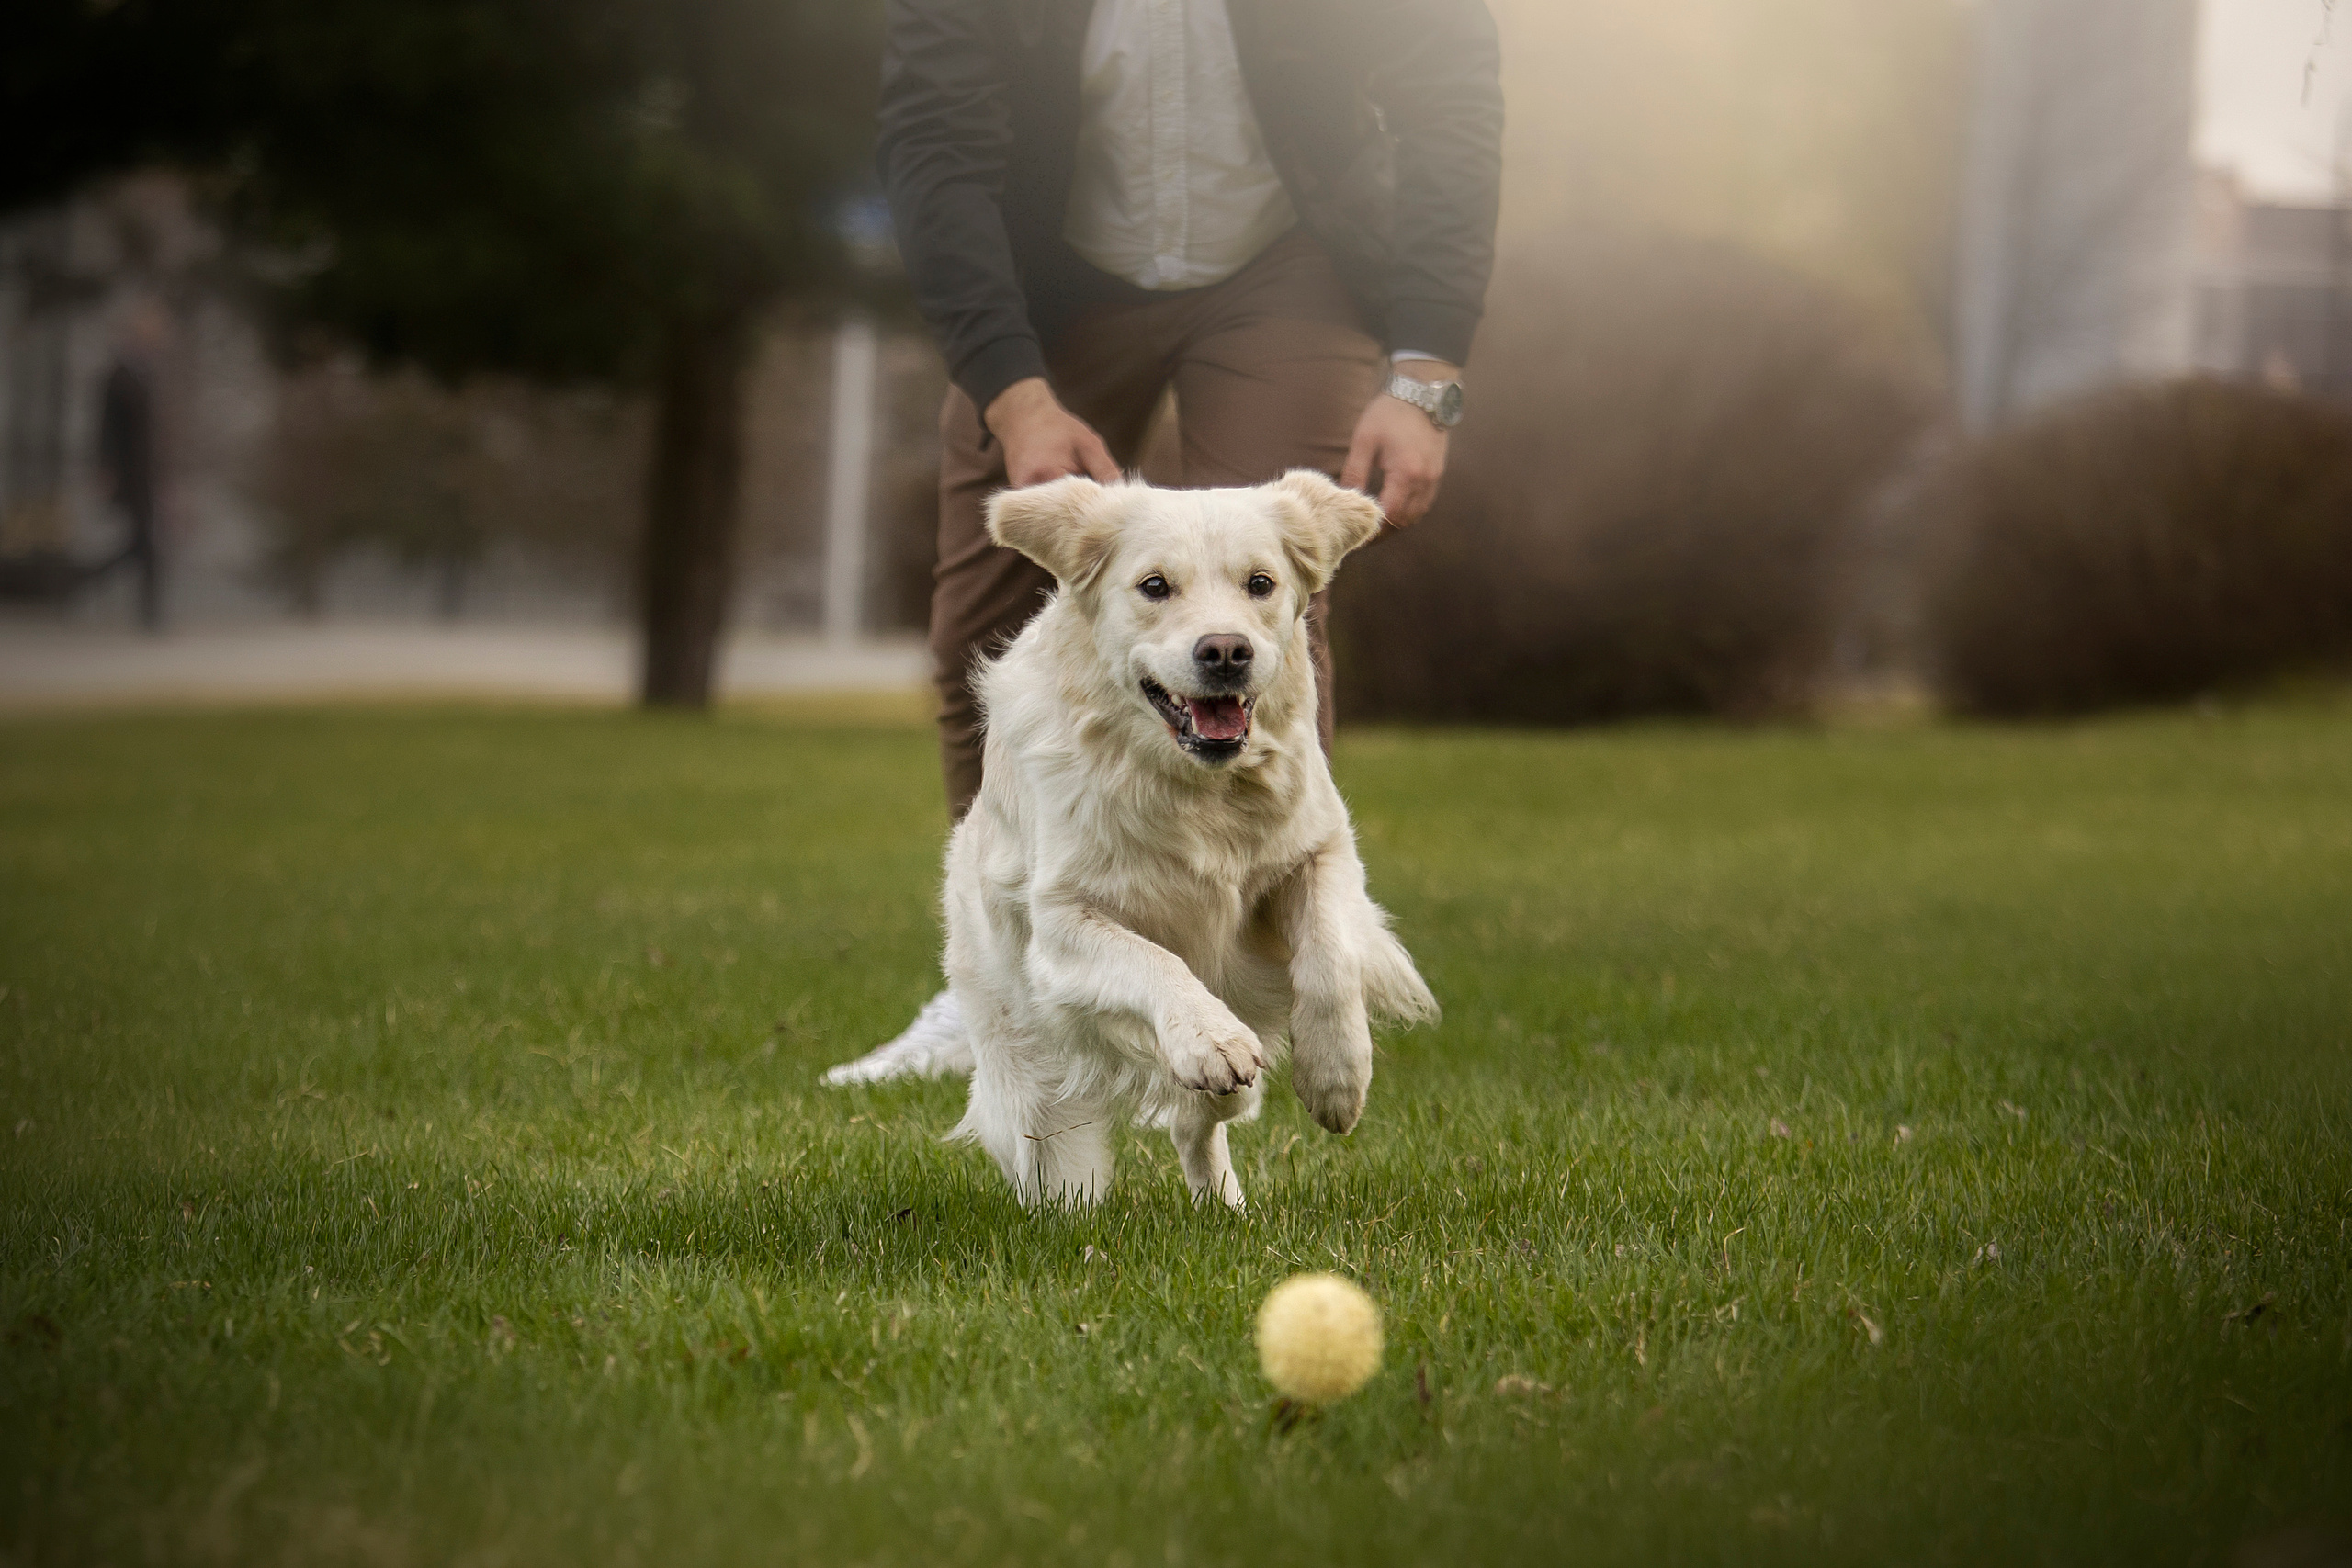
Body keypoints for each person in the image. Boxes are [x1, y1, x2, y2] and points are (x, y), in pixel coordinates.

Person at [831, 0, 1503, 1083]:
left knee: (1258, 606)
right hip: (1052, 276)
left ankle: (1278, 954)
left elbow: (1448, 88)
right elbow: (933, 143)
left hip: (1287, 253)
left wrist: (1425, 375)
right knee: (981, 620)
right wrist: (1012, 394)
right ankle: (997, 984)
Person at [93, 299, 171, 632]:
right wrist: (105, 470)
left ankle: (148, 612)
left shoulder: (147, 374)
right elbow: (105, 428)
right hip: (127, 474)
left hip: (147, 473)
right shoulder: (118, 376)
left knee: (141, 545)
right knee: (144, 545)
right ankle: (149, 615)